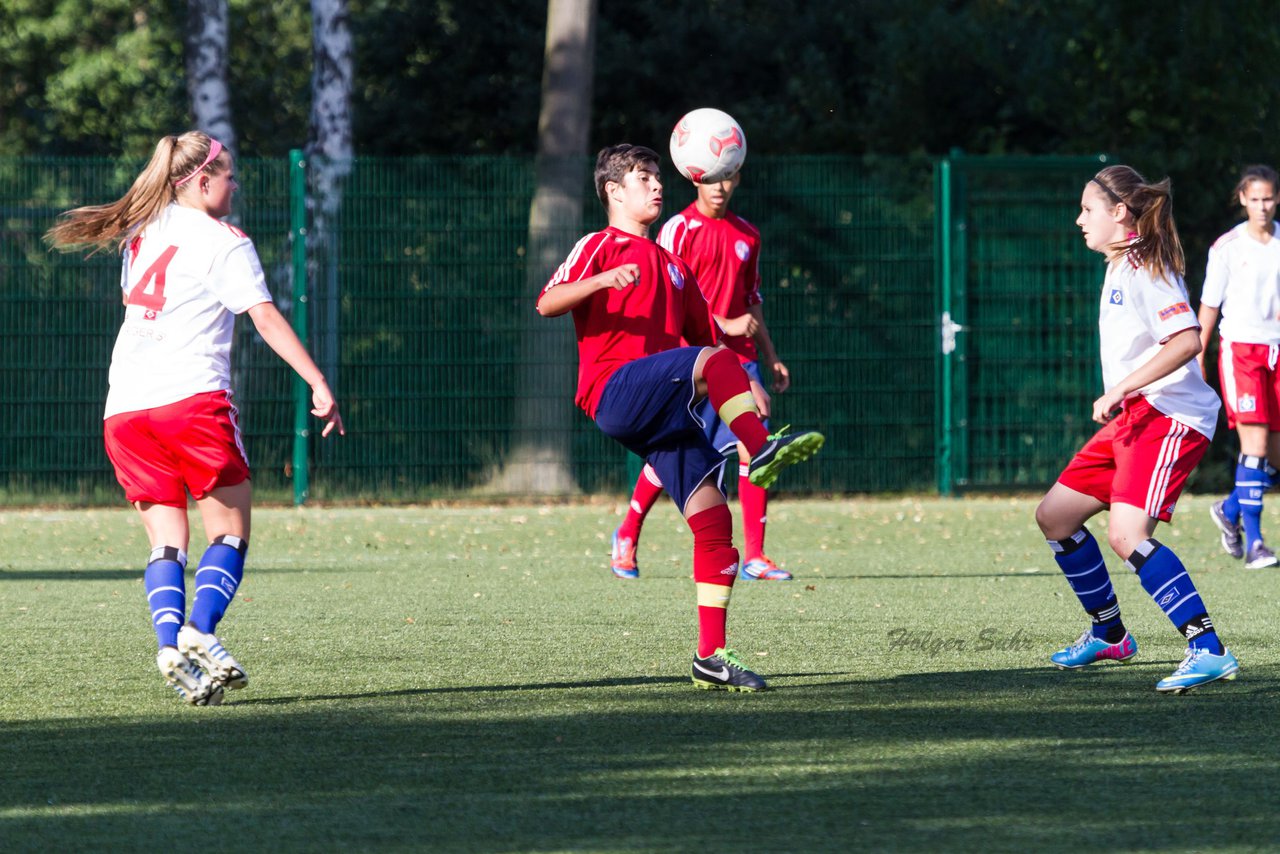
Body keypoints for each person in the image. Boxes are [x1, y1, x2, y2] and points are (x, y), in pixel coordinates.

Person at [46, 131, 344, 705]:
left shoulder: (140, 234)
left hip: (125, 407)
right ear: (201, 181)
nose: (236, 182)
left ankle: (167, 646)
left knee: (166, 544)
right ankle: (200, 631)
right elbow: (264, 317)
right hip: (192, 400)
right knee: (229, 532)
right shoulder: (224, 241)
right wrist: (317, 379)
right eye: (228, 173)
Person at [536, 144, 824, 692]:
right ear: (613, 192)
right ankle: (759, 449)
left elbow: (707, 345)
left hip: (663, 406)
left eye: (656, 176)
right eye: (642, 177)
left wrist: (747, 382)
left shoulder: (675, 266)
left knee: (715, 524)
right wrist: (601, 280)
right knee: (719, 383)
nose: (656, 185)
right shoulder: (598, 245)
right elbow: (547, 302)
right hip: (614, 390)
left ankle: (710, 657)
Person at [1034, 165, 1238, 693]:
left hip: (1170, 416)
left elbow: (1188, 340)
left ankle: (1207, 648)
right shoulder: (1120, 264)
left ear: (1119, 213)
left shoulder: (1147, 266)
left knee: (1126, 536)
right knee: (1055, 517)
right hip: (1136, 416)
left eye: (1088, 209)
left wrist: (1122, 386)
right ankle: (1110, 634)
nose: (1079, 219)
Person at [610, 170, 794, 582]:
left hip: (739, 360)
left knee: (755, 446)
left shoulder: (747, 234)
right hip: (690, 357)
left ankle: (756, 556)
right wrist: (724, 324)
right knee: (672, 453)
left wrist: (770, 356)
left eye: (727, 176)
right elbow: (668, 293)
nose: (719, 185)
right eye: (711, 177)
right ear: (695, 177)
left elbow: (753, 302)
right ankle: (627, 534)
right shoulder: (678, 229)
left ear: (738, 178)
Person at [1198, 164, 1280, 569]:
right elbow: (1209, 306)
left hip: (1277, 354)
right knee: (1256, 446)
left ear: (1276, 199)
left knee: (1275, 456)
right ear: (1243, 199)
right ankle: (1257, 544)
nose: (1262, 206)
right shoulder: (1227, 247)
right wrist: (1198, 354)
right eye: (1255, 198)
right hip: (1242, 352)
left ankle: (1230, 511)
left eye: (1268, 198)